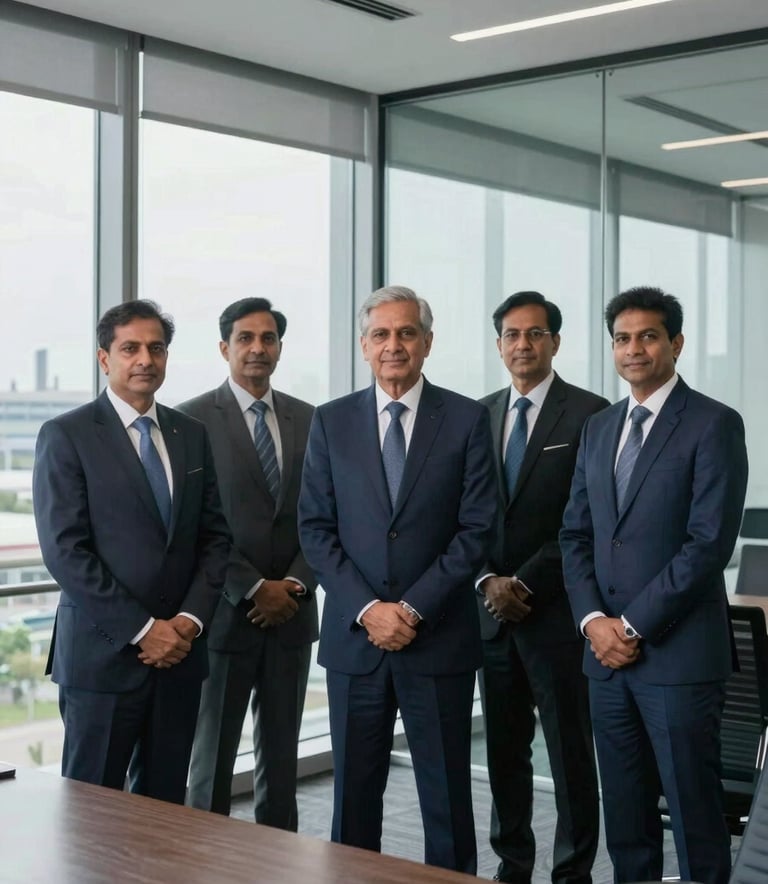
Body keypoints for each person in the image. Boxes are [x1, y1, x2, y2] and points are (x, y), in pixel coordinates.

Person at [298, 285, 496, 873]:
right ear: (364, 346)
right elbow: (315, 530)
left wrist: (410, 610)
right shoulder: (330, 422)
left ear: (428, 342)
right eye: (381, 334)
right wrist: (369, 609)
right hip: (356, 642)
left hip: (437, 640)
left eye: (407, 333)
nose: (394, 345)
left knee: (446, 800)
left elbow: (477, 529)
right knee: (354, 800)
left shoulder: (466, 419)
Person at [560, 286, 748, 884]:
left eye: (648, 336)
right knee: (625, 815)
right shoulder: (598, 428)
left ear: (676, 343)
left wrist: (632, 626)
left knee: (694, 813)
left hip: (678, 658)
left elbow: (707, 544)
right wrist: (594, 623)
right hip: (605, 661)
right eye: (622, 338)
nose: (634, 348)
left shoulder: (714, 423)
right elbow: (575, 535)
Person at [33, 299, 230, 804]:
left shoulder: (191, 435)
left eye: (156, 348)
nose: (145, 359)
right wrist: (144, 631)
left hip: (181, 656)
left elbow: (214, 538)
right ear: (105, 358)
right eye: (131, 348)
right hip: (103, 658)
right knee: (92, 812)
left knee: (165, 810)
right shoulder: (67, 435)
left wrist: (187, 622)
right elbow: (65, 550)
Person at [477, 291, 606, 884]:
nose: (522, 345)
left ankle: (573, 870)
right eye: (511, 334)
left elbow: (589, 521)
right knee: (503, 751)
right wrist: (487, 580)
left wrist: (524, 583)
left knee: (570, 753)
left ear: (555, 341)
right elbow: (466, 514)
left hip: (556, 613)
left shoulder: (592, 415)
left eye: (535, 334)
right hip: (491, 614)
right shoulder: (477, 416)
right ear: (499, 343)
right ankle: (512, 863)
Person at [180, 297, 317, 829]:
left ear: (280, 348)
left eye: (268, 338)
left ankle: (278, 861)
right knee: (210, 761)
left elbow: (324, 515)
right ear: (224, 347)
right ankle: (201, 862)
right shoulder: (190, 420)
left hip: (294, 616)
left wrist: (296, 587)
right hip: (224, 615)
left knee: (282, 761)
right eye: (245, 338)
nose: (257, 348)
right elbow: (194, 523)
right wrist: (254, 587)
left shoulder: (310, 418)